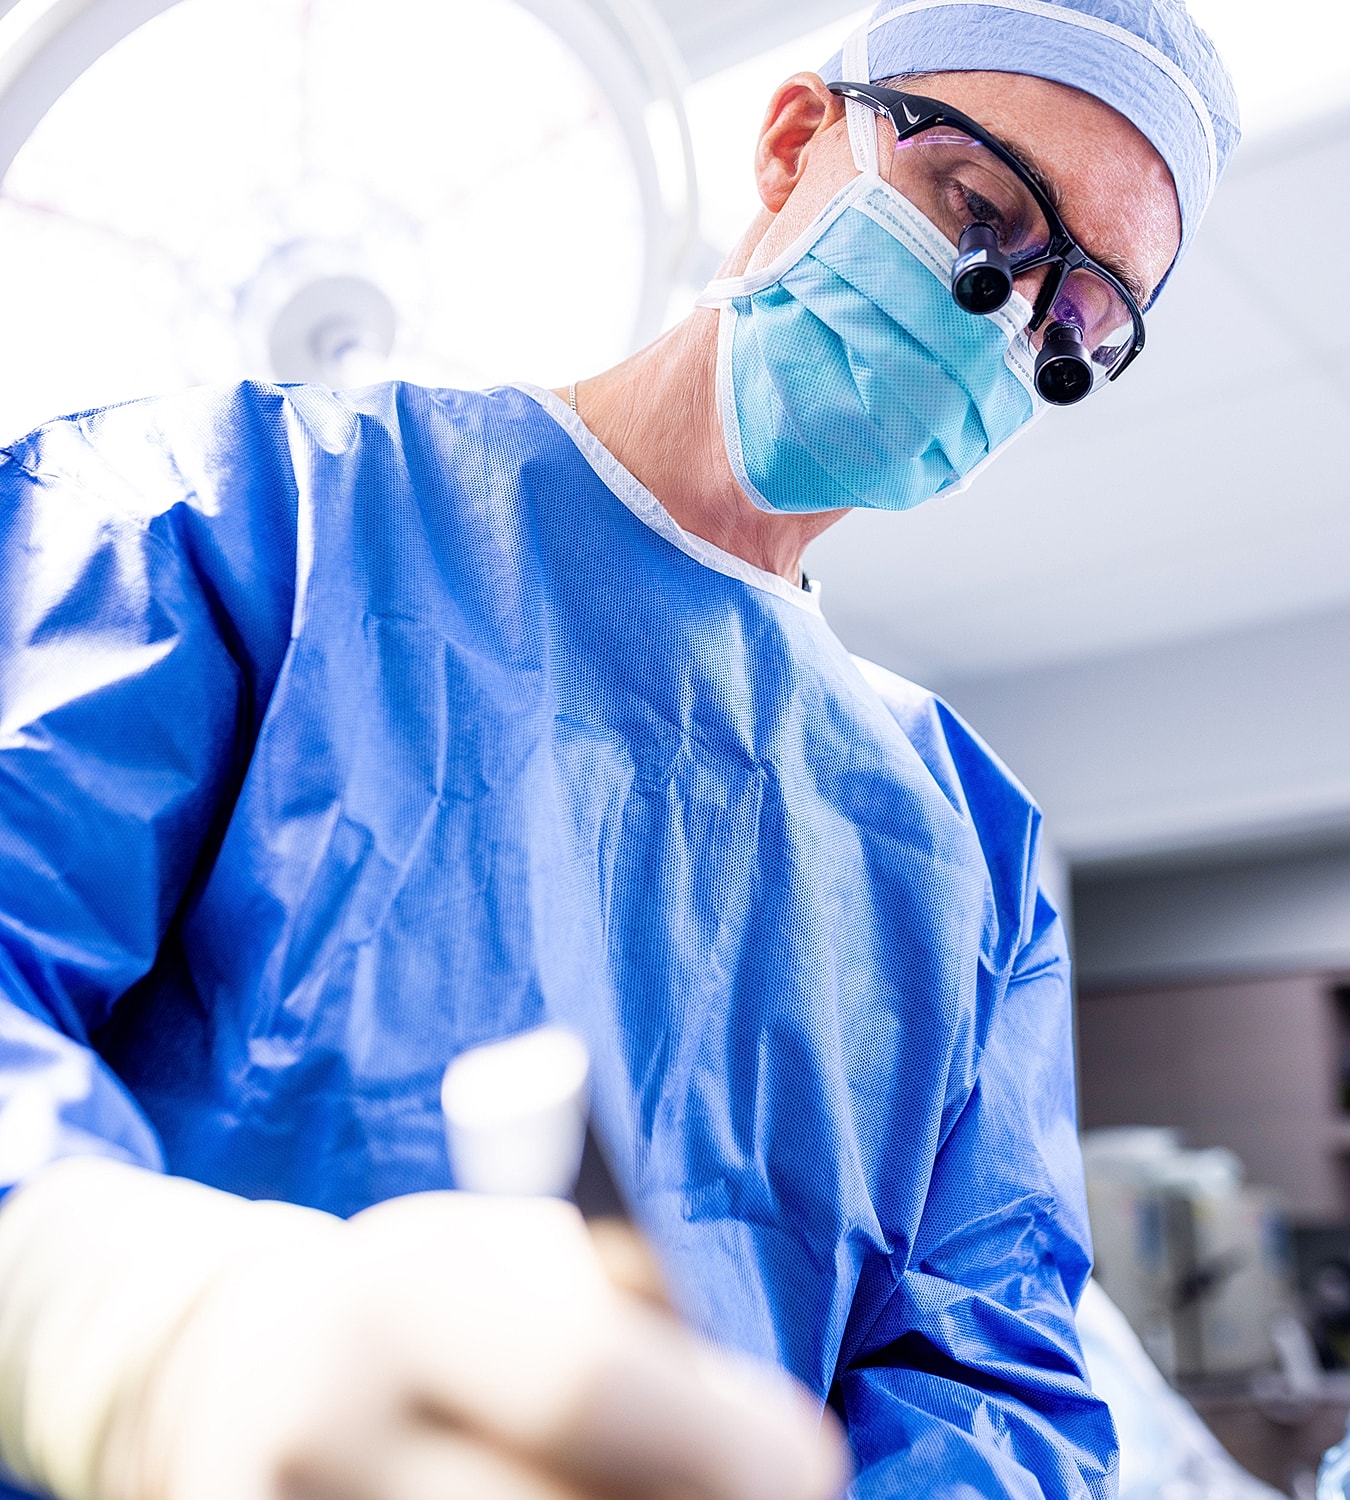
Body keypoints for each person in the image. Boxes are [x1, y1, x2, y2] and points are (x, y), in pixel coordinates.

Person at [0, 1, 1239, 1496]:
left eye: (1074, 322)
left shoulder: (962, 842)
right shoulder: (237, 513)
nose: (1005, 322)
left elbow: (992, 1382)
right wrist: (150, 1343)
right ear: (793, 146)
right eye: (980, 219)